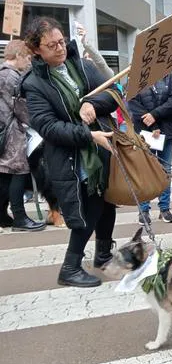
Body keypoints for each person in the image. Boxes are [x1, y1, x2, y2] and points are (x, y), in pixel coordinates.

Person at [22, 16, 118, 287]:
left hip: (101, 150)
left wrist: (92, 103)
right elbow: (49, 127)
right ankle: (70, 267)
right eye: (51, 46)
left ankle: (103, 254)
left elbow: (113, 92)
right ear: (36, 50)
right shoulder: (33, 84)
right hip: (71, 157)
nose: (60, 48)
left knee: (107, 200)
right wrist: (88, 135)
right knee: (89, 207)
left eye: (61, 41)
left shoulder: (82, 65)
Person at [0, 40, 45, 231]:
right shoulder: (12, 77)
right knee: (19, 172)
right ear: (17, 55)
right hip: (13, 133)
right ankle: (20, 218)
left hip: (4, 132)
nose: (29, 62)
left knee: (4, 176)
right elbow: (22, 109)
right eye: (27, 58)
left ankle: (2, 216)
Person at [128, 73, 172, 224]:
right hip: (144, 133)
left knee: (165, 170)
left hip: (166, 131)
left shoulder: (167, 75)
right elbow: (132, 102)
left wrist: (155, 115)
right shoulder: (136, 75)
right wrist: (151, 123)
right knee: (144, 170)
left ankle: (165, 208)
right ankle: (143, 210)